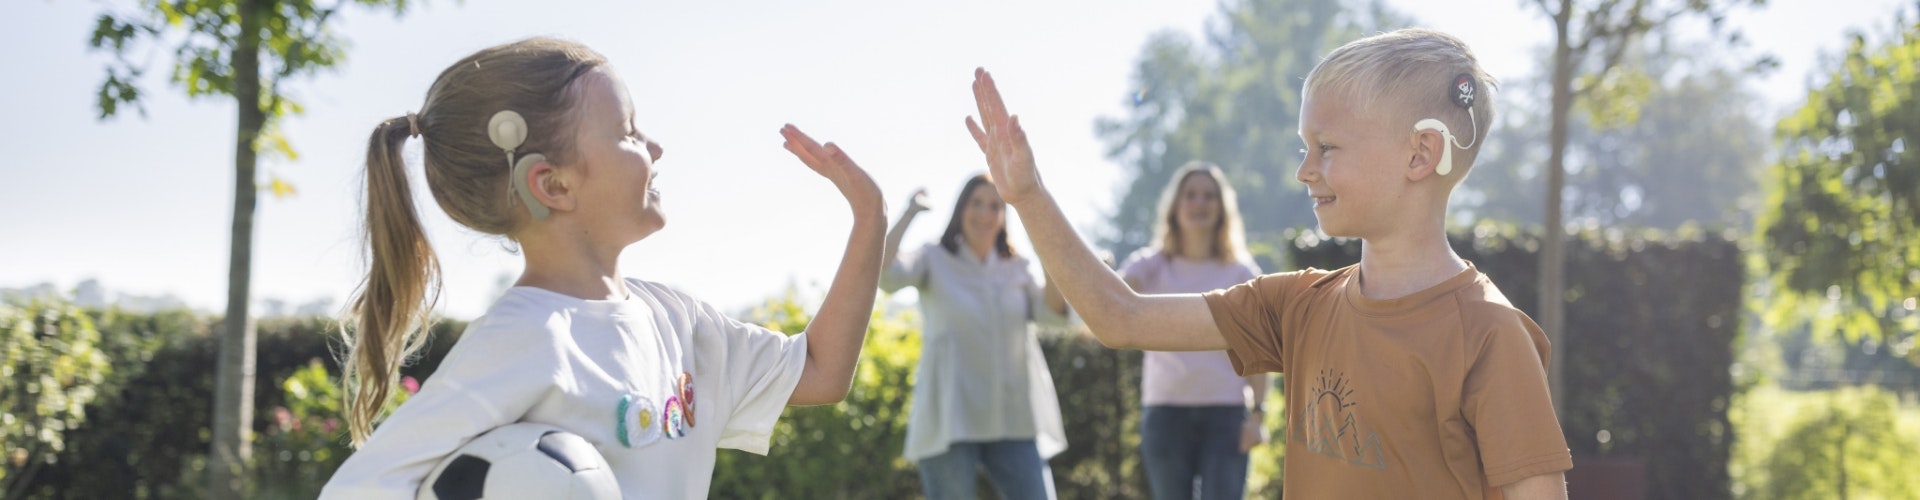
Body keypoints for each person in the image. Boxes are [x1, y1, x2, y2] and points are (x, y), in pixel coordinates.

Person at [962, 28, 1573, 499]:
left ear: (1422, 153)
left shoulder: (1490, 334)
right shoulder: (1296, 305)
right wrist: (1029, 197)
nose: (1305, 170)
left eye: (1327, 148)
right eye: (1304, 148)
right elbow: (1119, 317)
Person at [319, 37, 887, 499]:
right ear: (554, 184)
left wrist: (871, 219)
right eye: (629, 132)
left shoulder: (677, 319)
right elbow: (359, 489)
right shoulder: (523, 339)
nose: (655, 147)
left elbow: (818, 371)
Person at [879, 174, 1069, 500]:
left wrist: (1048, 253)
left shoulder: (1017, 267)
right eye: (976, 203)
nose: (985, 213)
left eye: (995, 205)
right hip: (950, 417)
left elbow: (1054, 316)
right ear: (960, 209)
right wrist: (909, 213)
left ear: (1004, 214)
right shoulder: (933, 258)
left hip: (1013, 417)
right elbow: (884, 275)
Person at [1119, 162, 1268, 500]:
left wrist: (1258, 414)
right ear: (1175, 206)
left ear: (1222, 208)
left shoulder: (1241, 271)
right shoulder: (1150, 265)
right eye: (1190, 195)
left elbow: (1260, 347)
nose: (1199, 203)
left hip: (1226, 414)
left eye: (1208, 196)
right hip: (1165, 412)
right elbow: (1115, 300)